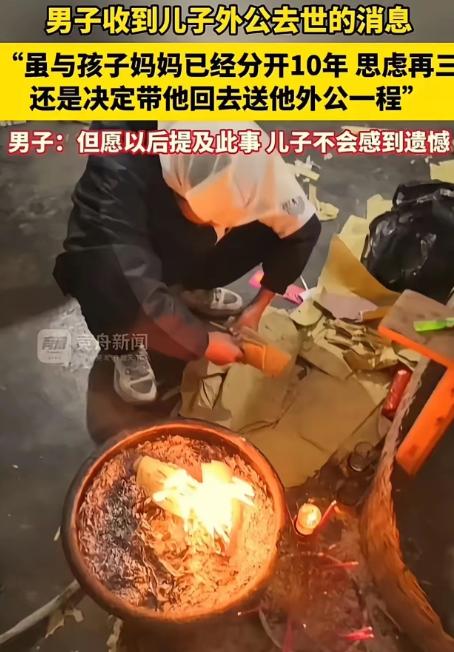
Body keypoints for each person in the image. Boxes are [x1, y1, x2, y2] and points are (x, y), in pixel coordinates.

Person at [54, 121, 321, 404]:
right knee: (102, 277)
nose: (218, 229)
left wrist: (256, 309)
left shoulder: (254, 159)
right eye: (209, 219)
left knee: (245, 232)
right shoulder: (118, 163)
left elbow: (303, 231)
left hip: (178, 224)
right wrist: (202, 342)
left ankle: (188, 288)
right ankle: (126, 346)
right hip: (116, 247)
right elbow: (122, 274)